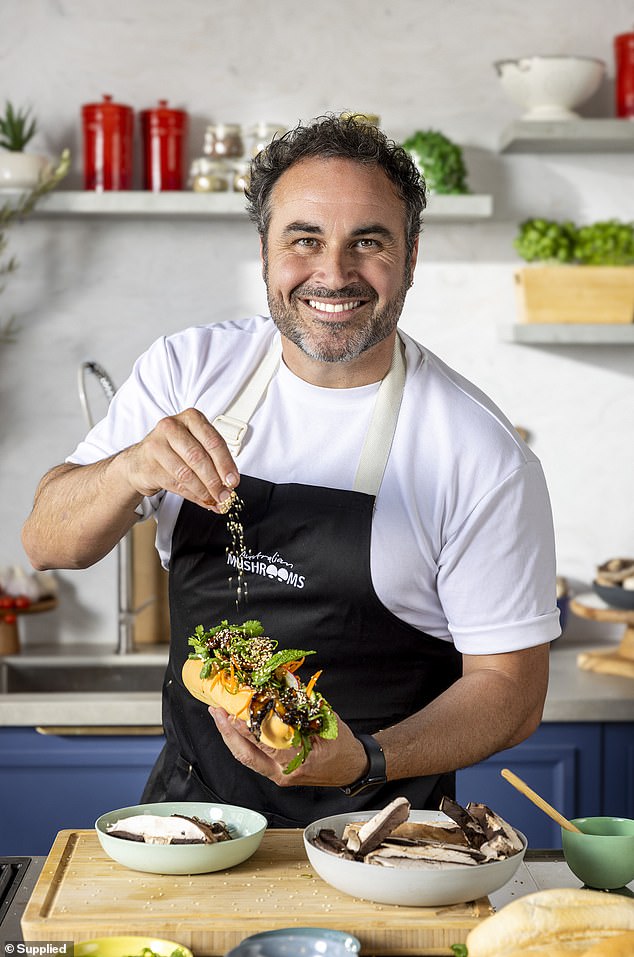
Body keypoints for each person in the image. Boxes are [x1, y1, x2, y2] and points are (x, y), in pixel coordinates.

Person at [22, 114, 560, 827]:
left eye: (368, 242)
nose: (333, 273)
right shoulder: (189, 371)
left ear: (412, 255)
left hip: (384, 837)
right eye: (304, 239)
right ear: (265, 250)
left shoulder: (478, 451)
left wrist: (364, 757)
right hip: (190, 827)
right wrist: (129, 469)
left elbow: (510, 691)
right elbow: (46, 542)